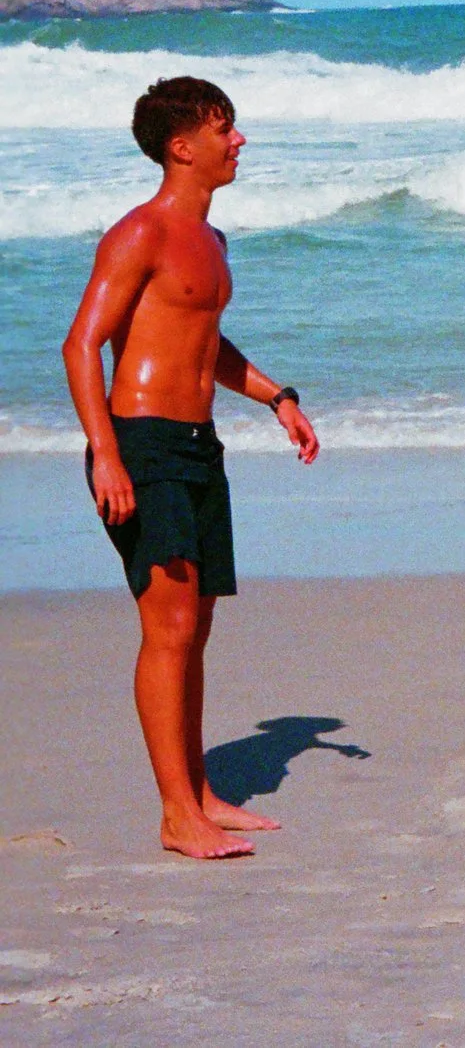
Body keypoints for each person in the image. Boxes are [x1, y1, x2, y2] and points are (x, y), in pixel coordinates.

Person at [60, 77, 321, 861]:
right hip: (140, 445)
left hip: (198, 446)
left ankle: (201, 792)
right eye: (224, 129)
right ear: (183, 146)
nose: (238, 141)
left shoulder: (212, 241)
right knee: (167, 625)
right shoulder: (140, 232)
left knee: (195, 626)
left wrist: (277, 397)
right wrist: (107, 453)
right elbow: (81, 344)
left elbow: (206, 344)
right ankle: (176, 815)